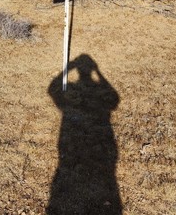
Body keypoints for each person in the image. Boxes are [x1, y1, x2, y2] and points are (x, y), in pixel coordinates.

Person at [47, 54, 122, 214]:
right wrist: (98, 73)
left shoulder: (75, 94)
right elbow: (114, 99)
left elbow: (52, 90)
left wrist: (67, 70)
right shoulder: (98, 92)